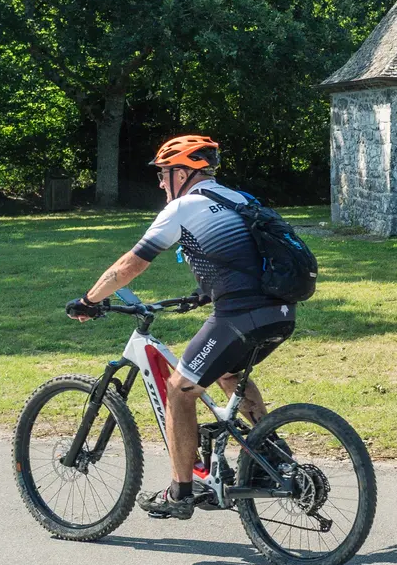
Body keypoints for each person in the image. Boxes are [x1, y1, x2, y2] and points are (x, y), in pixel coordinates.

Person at [64, 135, 295, 519]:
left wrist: (89, 300)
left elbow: (130, 266)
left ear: (183, 173)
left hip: (239, 316)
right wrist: (204, 293)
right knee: (228, 373)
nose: (159, 183)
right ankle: (271, 453)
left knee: (180, 391)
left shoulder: (185, 207)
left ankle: (180, 493)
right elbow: (242, 259)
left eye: (163, 174)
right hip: (282, 312)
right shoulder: (241, 199)